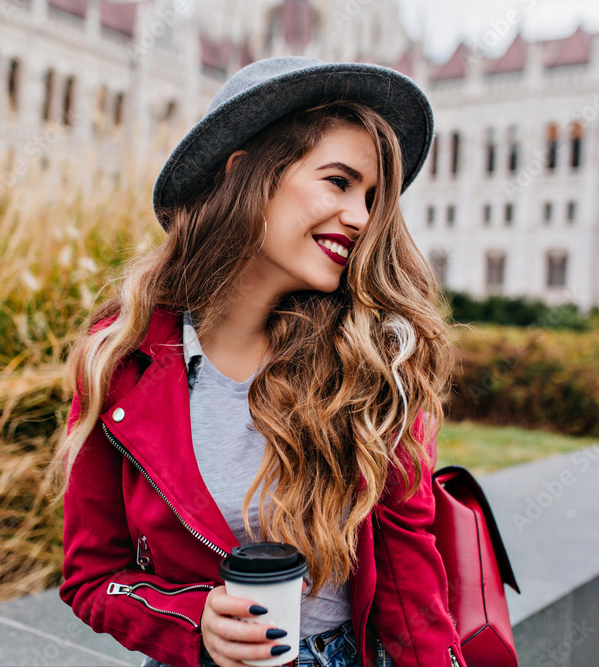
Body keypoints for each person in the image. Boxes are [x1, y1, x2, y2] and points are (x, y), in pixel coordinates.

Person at [51, 56, 468, 667]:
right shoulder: (122, 355)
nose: (361, 217)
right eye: (338, 181)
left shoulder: (373, 363)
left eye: (373, 197)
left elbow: (412, 589)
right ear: (247, 172)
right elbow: (92, 577)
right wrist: (196, 621)